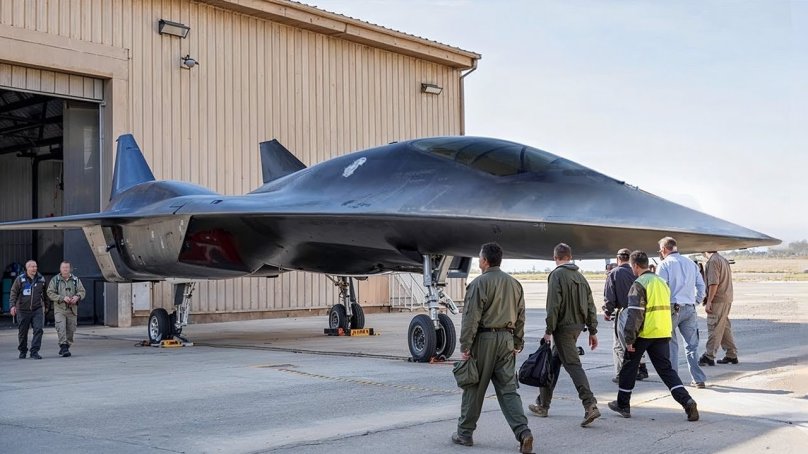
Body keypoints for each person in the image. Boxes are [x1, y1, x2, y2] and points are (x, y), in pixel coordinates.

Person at [453, 243, 533, 453]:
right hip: (507, 340)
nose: (479, 261)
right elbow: (521, 316)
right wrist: (517, 342)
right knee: (509, 390)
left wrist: (465, 345)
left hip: (484, 341)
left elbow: (471, 318)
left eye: (480, 258)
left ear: (485, 261)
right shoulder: (514, 284)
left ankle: (464, 433)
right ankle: (523, 432)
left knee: (474, 387)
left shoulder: (479, 284)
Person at [608, 251, 699, 421]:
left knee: (629, 367)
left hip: (645, 333)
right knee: (666, 371)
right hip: (662, 331)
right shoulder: (661, 282)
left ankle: (623, 404)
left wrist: (629, 339)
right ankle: (686, 400)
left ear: (635, 266)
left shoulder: (639, 284)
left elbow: (635, 314)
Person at [528, 243, 600, 427]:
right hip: (577, 327)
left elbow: (553, 306)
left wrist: (548, 331)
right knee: (552, 364)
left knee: (573, 365)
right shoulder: (581, 277)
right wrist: (592, 330)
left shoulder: (557, 275)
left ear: (555, 258)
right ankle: (543, 404)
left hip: (563, 329)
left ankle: (590, 404)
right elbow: (591, 306)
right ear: (570, 257)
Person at [656, 237, 708, 388]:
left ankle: (674, 380)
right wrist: (696, 301)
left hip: (672, 307)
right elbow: (701, 285)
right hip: (689, 308)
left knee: (671, 345)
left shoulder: (664, 264)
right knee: (692, 346)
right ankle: (698, 379)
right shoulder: (690, 263)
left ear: (664, 249)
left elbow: (661, 288)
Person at [603, 248, 649, 382]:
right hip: (640, 311)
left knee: (619, 345)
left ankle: (622, 374)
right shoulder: (637, 272)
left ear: (618, 259)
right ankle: (642, 369)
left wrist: (607, 311)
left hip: (624, 311)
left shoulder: (614, 273)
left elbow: (609, 295)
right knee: (636, 341)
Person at [698, 251, 738, 366]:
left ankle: (709, 355)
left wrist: (709, 301)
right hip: (726, 297)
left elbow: (714, 283)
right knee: (723, 327)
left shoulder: (713, 261)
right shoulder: (722, 259)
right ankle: (731, 354)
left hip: (718, 299)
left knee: (714, 326)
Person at [9, 260, 47, 359]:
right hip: (22, 310)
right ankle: (23, 350)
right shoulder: (20, 279)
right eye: (32, 267)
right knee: (23, 332)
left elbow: (45, 294)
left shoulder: (41, 279)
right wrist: (12, 306)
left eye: (35, 266)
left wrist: (46, 306)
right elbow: (13, 293)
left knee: (38, 329)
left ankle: (34, 351)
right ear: (27, 268)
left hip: (37, 309)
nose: (34, 268)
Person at [47, 261, 86, 358]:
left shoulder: (76, 280)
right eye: (63, 267)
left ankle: (66, 347)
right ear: (60, 269)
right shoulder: (55, 280)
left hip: (72, 309)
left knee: (71, 330)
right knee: (61, 327)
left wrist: (77, 297)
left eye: (67, 267)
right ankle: (63, 347)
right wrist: (62, 298)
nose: (65, 269)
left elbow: (82, 291)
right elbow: (50, 292)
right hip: (60, 309)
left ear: (70, 269)